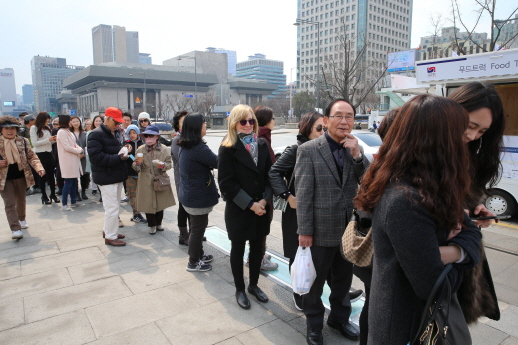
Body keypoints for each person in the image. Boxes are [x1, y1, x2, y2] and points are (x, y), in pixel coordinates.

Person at [355, 94, 483, 345]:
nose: (466, 139)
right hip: (406, 329)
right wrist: (460, 252)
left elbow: (469, 229)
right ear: (439, 140)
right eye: (461, 131)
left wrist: (449, 251)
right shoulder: (406, 199)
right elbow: (435, 286)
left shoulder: (428, 184)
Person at [295, 99, 369, 344]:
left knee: (342, 281)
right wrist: (305, 231)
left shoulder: (354, 148)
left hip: (348, 230)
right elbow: (304, 194)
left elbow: (369, 182)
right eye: (339, 116)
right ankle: (314, 325)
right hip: (318, 230)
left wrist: (357, 155)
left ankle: (339, 319)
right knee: (315, 284)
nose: (345, 121)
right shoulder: (309, 150)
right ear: (326, 120)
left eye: (349, 116)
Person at [449, 81, 505, 323]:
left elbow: (468, 198)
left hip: (461, 269)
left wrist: (475, 210)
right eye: (470, 126)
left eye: (482, 132)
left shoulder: (470, 155)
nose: (472, 136)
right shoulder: (421, 153)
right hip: (426, 272)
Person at [218, 104, 273, 310]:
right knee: (238, 249)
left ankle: (254, 285)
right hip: (240, 209)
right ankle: (240, 289)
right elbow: (225, 183)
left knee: (258, 249)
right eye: (243, 121)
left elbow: (270, 176)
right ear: (234, 123)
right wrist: (250, 204)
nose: (248, 125)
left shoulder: (261, 144)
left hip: (261, 208)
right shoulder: (227, 148)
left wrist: (265, 201)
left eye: (251, 121)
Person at [269, 111, 324, 310]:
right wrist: (288, 196)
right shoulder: (295, 149)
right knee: (298, 254)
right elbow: (274, 172)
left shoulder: (324, 148)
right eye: (319, 128)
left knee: (322, 254)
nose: (322, 132)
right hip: (297, 213)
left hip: (319, 212)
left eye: (324, 128)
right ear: (307, 128)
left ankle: (335, 289)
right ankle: (299, 292)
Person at [178, 114, 219, 272]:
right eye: (203, 123)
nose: (206, 125)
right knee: (197, 230)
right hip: (197, 197)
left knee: (197, 227)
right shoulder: (198, 148)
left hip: (190, 195)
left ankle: (198, 254)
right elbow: (217, 162)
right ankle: (193, 262)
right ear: (196, 127)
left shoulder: (186, 145)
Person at [87, 107, 130, 246]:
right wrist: (119, 158)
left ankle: (110, 231)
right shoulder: (95, 134)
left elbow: (112, 150)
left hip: (114, 175)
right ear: (108, 119)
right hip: (106, 177)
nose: (118, 125)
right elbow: (97, 157)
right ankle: (111, 236)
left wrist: (125, 149)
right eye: (116, 122)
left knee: (114, 206)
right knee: (112, 208)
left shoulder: (112, 133)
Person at [0, 115, 45, 239]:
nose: (10, 131)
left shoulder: (23, 141)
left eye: (13, 128)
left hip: (21, 176)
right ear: (1, 130)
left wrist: (39, 168)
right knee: (9, 203)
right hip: (4, 179)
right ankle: (15, 229)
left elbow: (32, 156)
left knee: (21, 200)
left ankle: (21, 219)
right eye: (6, 129)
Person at [133, 124, 175, 234]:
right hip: (145, 179)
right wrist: (138, 164)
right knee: (148, 203)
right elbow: (135, 166)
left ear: (157, 137)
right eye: (146, 136)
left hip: (160, 177)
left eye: (151, 136)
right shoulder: (141, 149)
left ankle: (159, 223)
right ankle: (152, 225)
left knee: (160, 202)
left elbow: (169, 164)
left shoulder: (164, 149)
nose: (148, 139)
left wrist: (163, 166)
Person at [253, 105, 278, 271]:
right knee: (261, 228)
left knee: (260, 228)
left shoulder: (260, 135)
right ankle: (259, 258)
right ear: (267, 121)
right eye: (273, 117)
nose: (274, 121)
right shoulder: (262, 138)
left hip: (260, 191)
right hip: (262, 193)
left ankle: (259, 254)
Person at [56, 115, 85, 211]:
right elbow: (67, 147)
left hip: (73, 159)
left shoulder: (68, 132)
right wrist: (78, 151)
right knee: (68, 183)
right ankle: (64, 203)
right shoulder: (61, 132)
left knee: (74, 182)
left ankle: (73, 201)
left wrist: (79, 148)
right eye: (70, 121)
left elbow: (74, 144)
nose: (71, 123)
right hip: (67, 161)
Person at [30, 112, 59, 205]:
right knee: (42, 176)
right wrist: (48, 140)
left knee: (51, 176)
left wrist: (54, 140)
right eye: (45, 121)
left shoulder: (47, 128)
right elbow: (34, 143)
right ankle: (44, 196)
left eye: (47, 121)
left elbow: (48, 143)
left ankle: (53, 195)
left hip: (49, 153)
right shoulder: (34, 128)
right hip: (40, 154)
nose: (46, 123)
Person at [171, 110, 191, 245]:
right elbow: (184, 160)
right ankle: (183, 235)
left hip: (192, 180)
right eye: (183, 122)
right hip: (183, 180)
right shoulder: (177, 140)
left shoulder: (191, 139)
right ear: (178, 125)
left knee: (192, 209)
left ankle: (195, 234)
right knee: (183, 207)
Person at [124, 124, 147, 223]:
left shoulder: (143, 144)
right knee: (132, 194)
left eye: (134, 133)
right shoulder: (126, 144)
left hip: (141, 173)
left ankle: (138, 213)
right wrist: (127, 152)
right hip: (129, 173)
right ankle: (136, 214)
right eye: (130, 133)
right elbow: (123, 157)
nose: (132, 135)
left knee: (141, 195)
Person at [70, 116, 89, 201]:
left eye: (77, 121)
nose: (76, 123)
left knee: (84, 176)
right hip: (74, 157)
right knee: (75, 176)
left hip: (83, 157)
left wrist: (83, 154)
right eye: (73, 122)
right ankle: (76, 193)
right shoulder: (69, 134)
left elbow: (87, 146)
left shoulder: (84, 133)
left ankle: (83, 192)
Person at [88, 115, 104, 200]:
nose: (98, 122)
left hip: (103, 159)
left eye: (99, 120)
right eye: (96, 121)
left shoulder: (105, 133)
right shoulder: (91, 133)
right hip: (94, 158)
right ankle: (98, 190)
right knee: (95, 176)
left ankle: (102, 194)